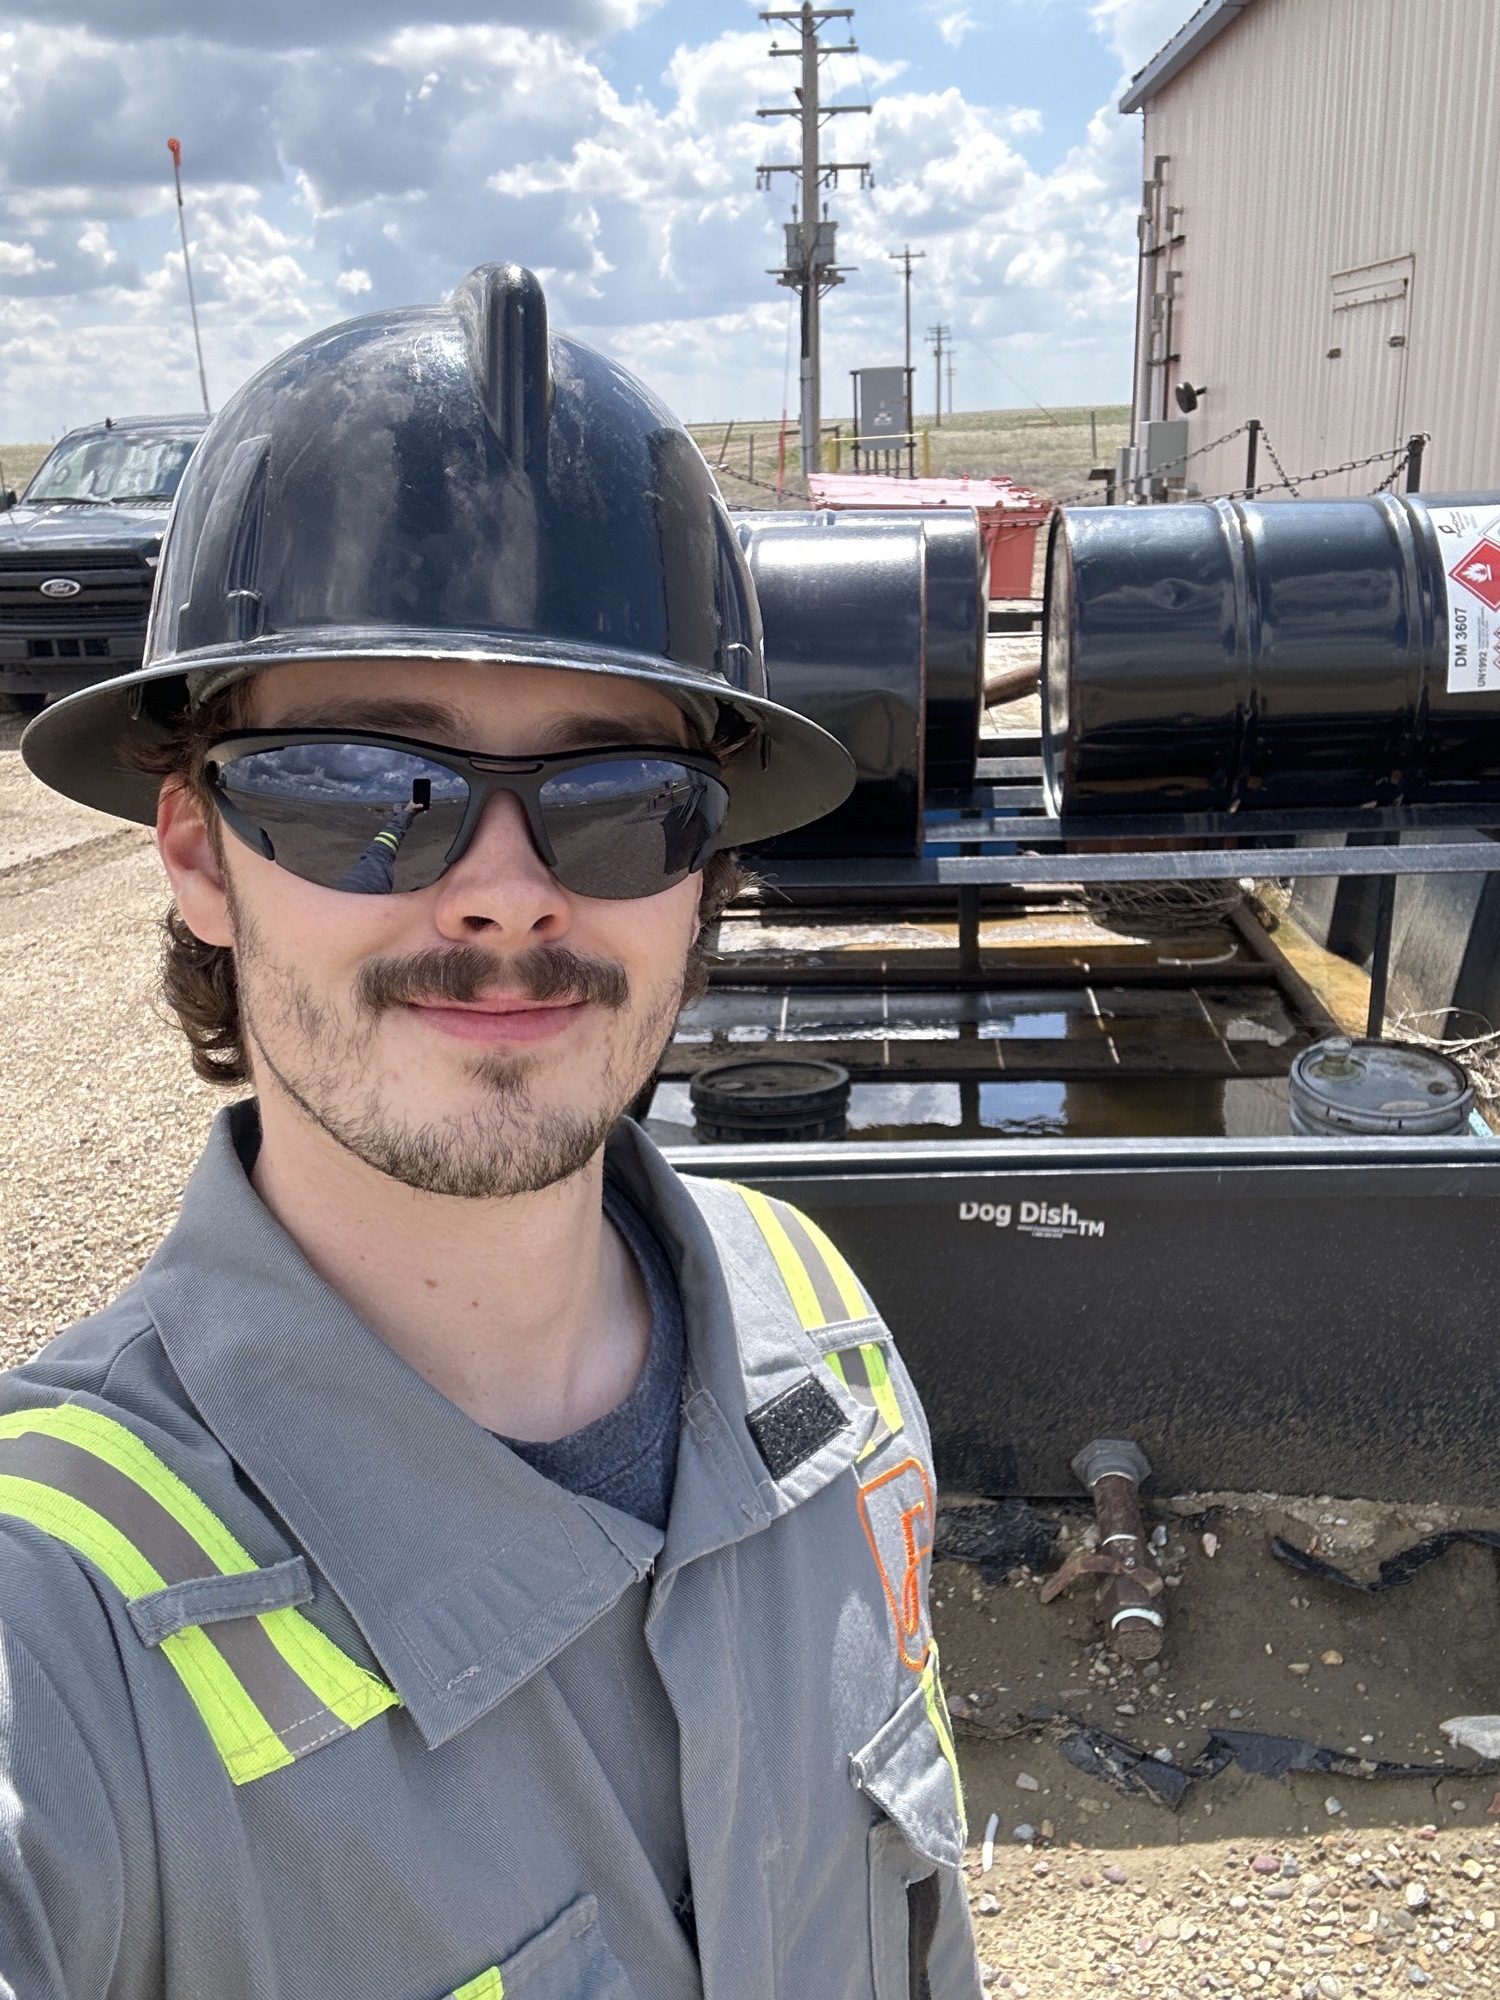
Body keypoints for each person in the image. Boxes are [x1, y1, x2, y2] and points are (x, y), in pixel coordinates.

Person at [7, 265, 980, 2000]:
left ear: (703, 868)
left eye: (620, 797)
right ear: (198, 853)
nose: (506, 895)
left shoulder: (822, 1342)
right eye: (370, 789)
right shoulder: (54, 1607)